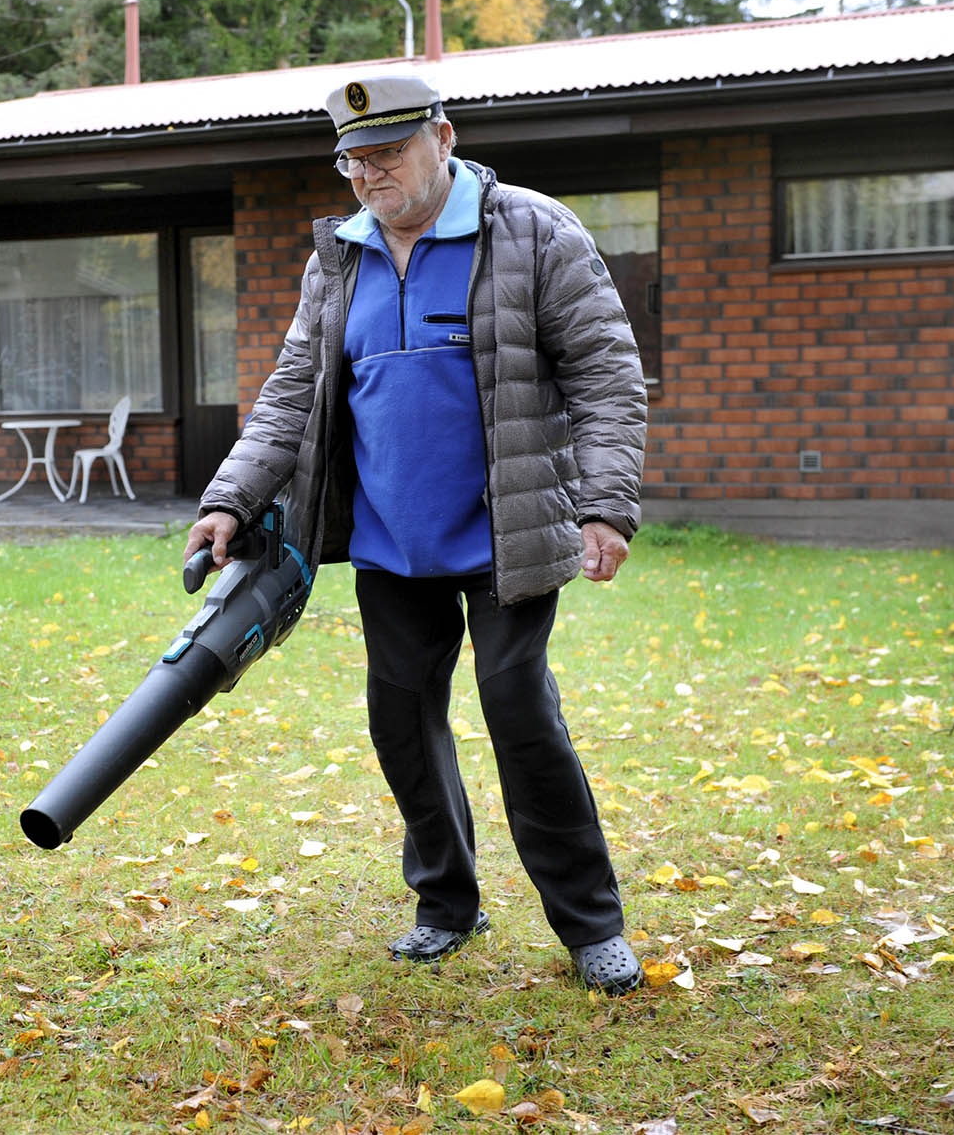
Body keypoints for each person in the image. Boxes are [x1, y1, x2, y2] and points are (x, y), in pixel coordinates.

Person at [182, 74, 648, 995]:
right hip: (391, 540)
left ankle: (592, 924)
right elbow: (290, 394)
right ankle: (446, 904)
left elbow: (606, 375)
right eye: (352, 158)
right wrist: (230, 498)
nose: (366, 173)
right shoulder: (339, 258)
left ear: (443, 135)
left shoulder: (533, 231)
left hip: (506, 531)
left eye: (386, 153)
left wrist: (605, 503)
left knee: (518, 710)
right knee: (400, 721)